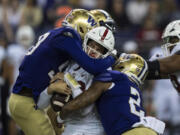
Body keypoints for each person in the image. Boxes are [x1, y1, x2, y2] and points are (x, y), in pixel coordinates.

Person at [8, 9, 116, 135]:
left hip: (28, 99)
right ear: (82, 28)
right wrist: (112, 56)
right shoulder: (68, 36)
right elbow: (93, 67)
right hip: (27, 101)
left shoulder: (60, 37)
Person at [58, 54, 165, 135]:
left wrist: (62, 113)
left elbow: (85, 100)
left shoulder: (114, 76)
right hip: (148, 131)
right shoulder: (136, 91)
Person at [38, 26, 116, 135]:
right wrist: (50, 89)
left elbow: (84, 110)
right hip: (70, 125)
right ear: (86, 41)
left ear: (106, 53)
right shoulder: (72, 60)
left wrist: (68, 78)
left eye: (99, 49)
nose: (93, 51)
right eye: (92, 45)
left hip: (90, 127)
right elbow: (40, 105)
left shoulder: (104, 71)